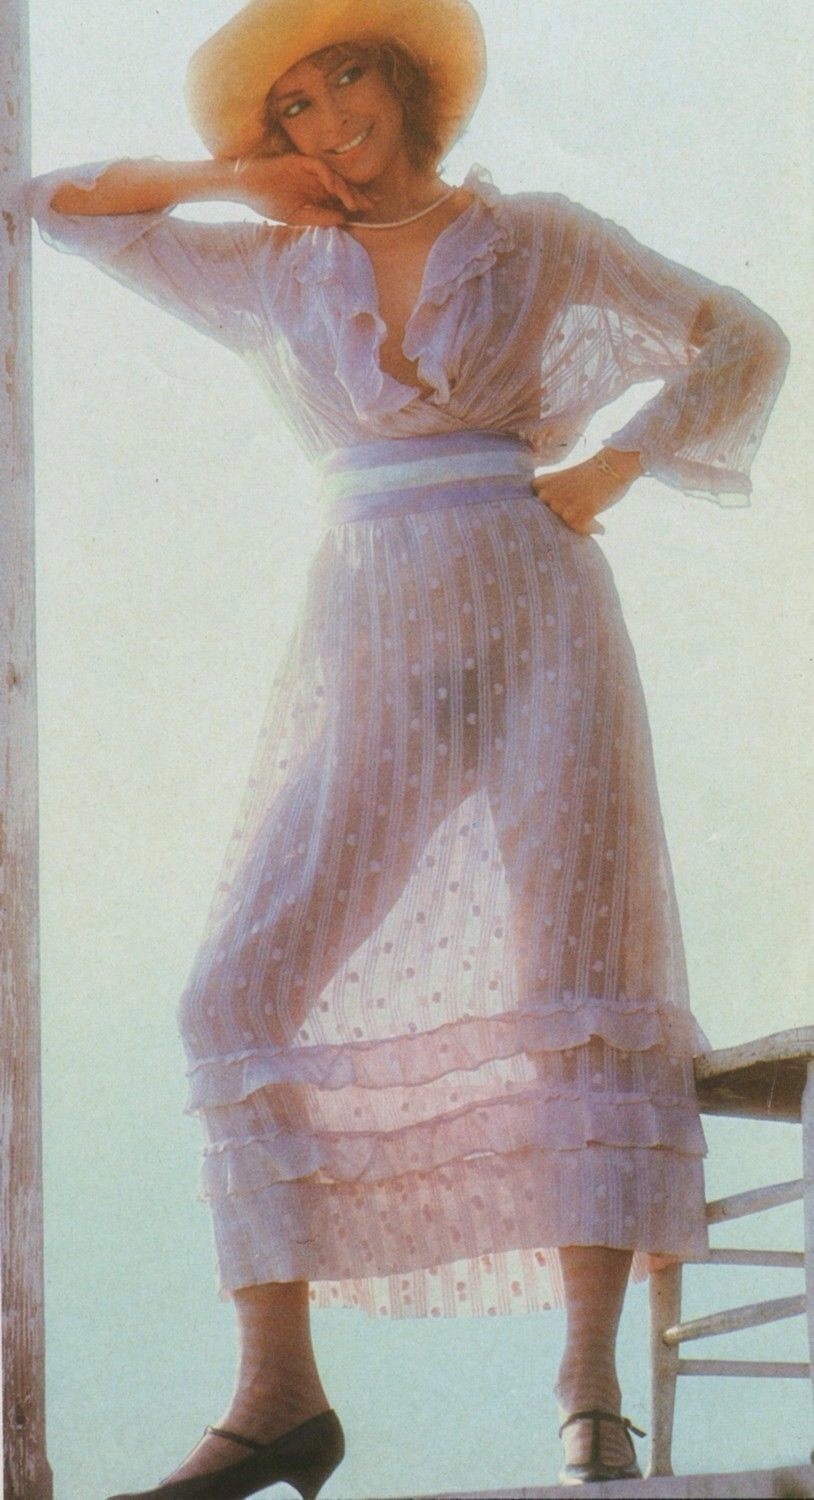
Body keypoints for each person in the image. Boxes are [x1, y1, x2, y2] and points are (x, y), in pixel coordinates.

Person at [24, 0, 790, 1494]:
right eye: (293, 106)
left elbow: (741, 336)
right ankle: (279, 1396)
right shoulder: (275, 266)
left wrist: (613, 465)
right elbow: (50, 204)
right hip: (373, 621)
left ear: (406, 80)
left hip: (541, 605)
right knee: (233, 989)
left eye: (348, 74)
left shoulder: (537, 235)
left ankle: (588, 1393)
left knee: (575, 973)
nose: (331, 116)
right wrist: (232, 182)